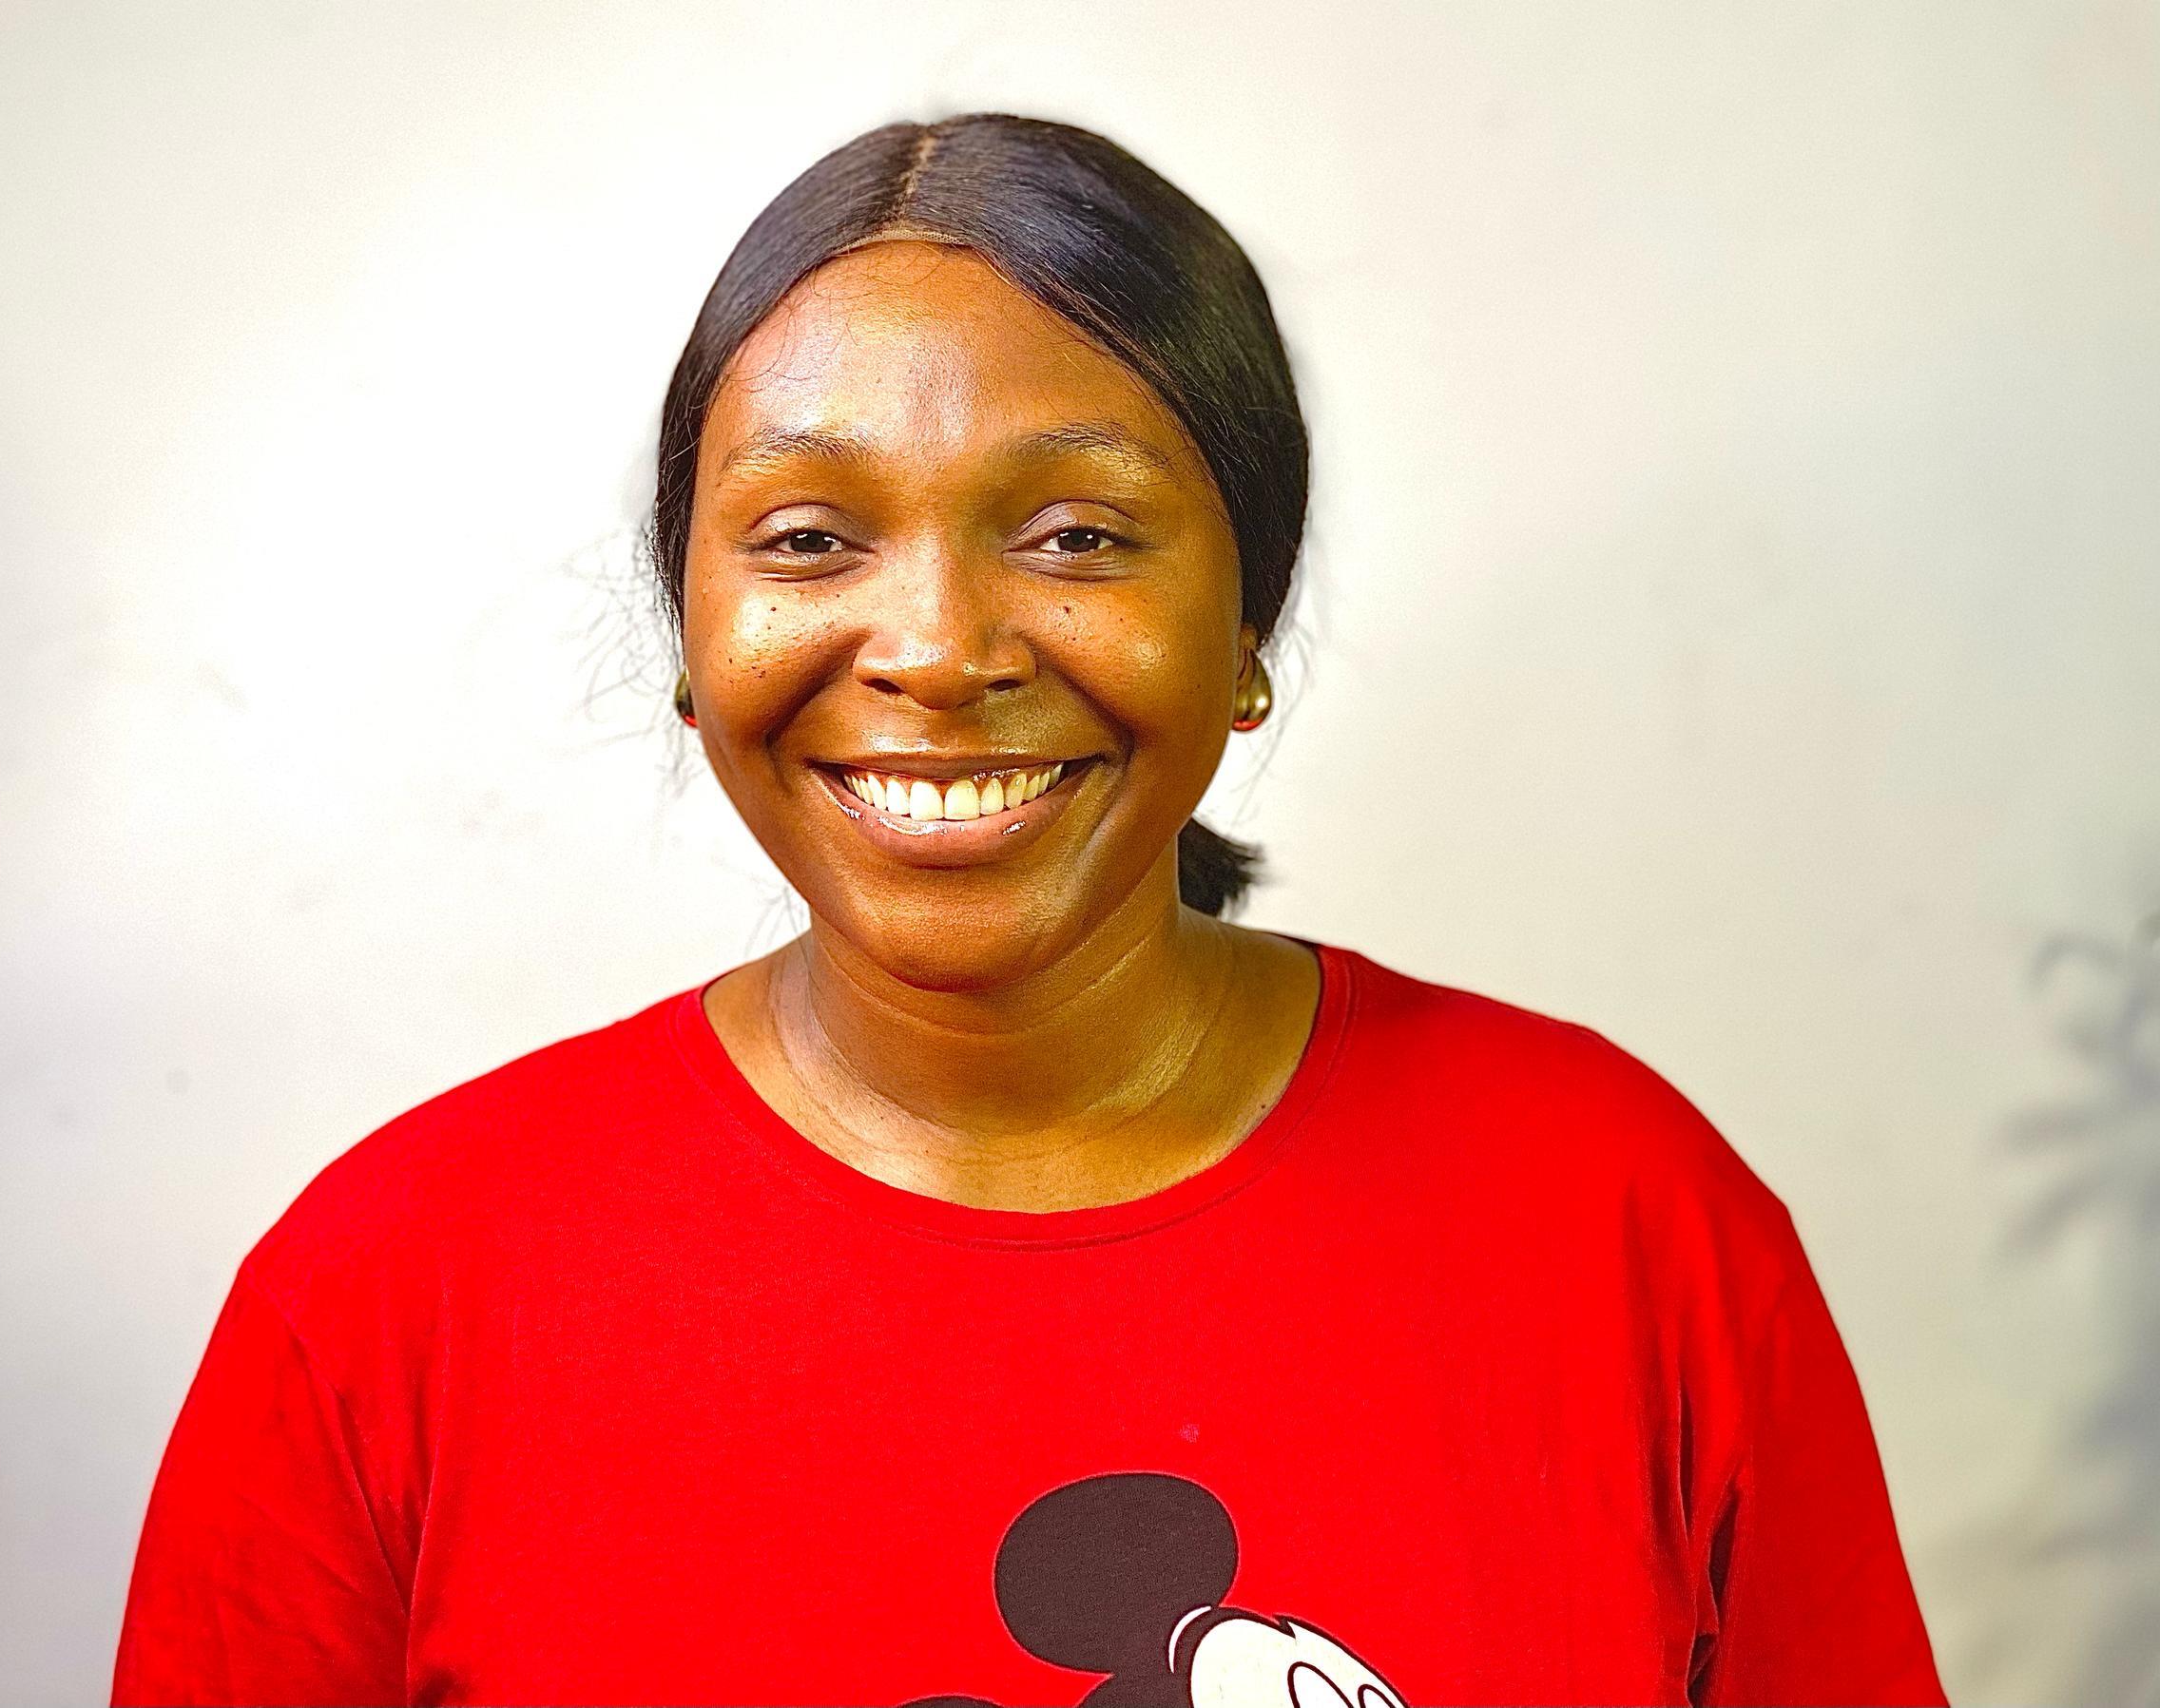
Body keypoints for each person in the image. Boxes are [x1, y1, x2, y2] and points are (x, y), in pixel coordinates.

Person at [111, 113, 1945, 1708]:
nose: (935, 649)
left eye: (1077, 533)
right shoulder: (386, 1307)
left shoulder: (1625, 1222)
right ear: (691, 632)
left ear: (1247, 626)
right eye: (810, 537)